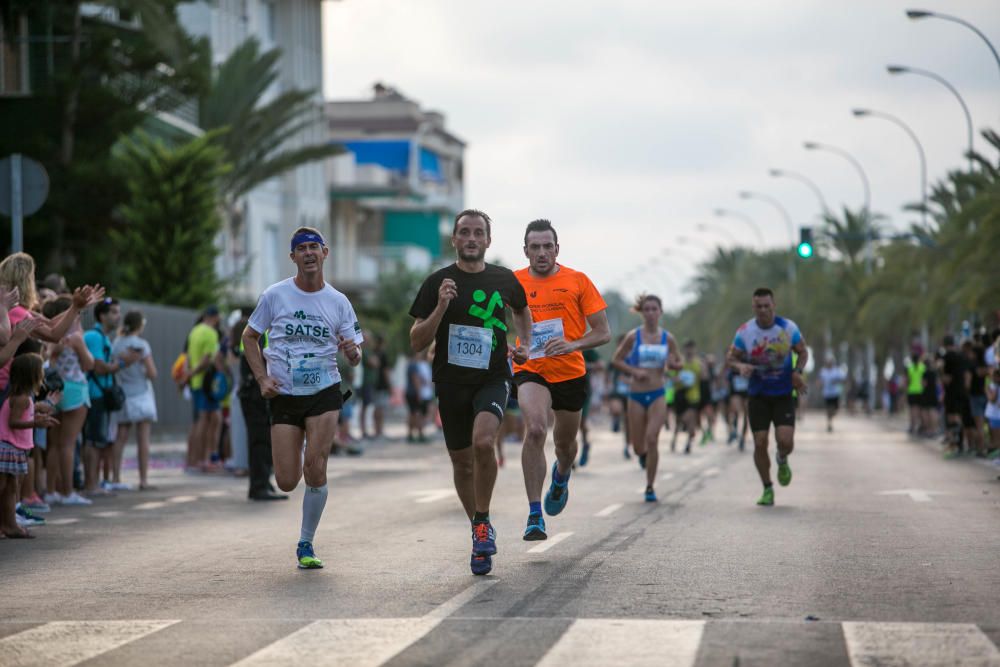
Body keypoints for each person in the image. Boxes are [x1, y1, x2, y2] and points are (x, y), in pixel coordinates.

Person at [409, 209, 532, 575]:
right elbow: (417, 341)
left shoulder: (504, 279)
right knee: (461, 462)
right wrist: (442, 305)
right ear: (455, 240)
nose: (472, 238)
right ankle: (480, 527)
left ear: (488, 241)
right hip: (450, 382)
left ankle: (481, 522)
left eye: (479, 232)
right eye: (465, 232)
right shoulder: (437, 282)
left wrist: (523, 342)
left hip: (492, 377)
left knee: (483, 443)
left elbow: (522, 313)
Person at [242, 226, 364, 569]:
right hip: (284, 393)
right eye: (302, 248)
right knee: (285, 479)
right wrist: (262, 378)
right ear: (293, 257)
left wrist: (352, 353)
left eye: (315, 247)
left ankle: (306, 542)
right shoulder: (274, 295)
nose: (309, 253)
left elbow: (354, 351)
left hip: (324, 390)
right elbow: (249, 338)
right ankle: (296, 470)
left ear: (325, 253)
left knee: (316, 465)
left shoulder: (338, 301)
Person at [511, 219, 610, 541]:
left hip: (570, 371)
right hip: (531, 369)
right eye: (535, 247)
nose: (541, 253)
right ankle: (535, 514)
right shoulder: (513, 282)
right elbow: (494, 323)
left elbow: (602, 332)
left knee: (565, 446)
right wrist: (511, 349)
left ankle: (562, 475)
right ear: (525, 251)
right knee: (536, 429)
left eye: (547, 246)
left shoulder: (578, 280)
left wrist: (573, 344)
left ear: (557, 248)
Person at [727, 287, 808, 507]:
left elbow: (802, 351)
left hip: (782, 394)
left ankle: (782, 459)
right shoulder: (745, 331)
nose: (763, 310)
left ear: (774, 305)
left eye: (766, 306)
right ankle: (767, 488)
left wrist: (796, 373)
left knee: (785, 441)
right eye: (758, 306)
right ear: (753, 307)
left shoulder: (787, 328)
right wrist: (740, 365)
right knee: (760, 443)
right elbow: (730, 358)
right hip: (758, 395)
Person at [611, 294, 681, 502]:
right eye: (647, 309)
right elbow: (617, 360)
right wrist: (634, 371)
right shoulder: (634, 336)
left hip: (658, 393)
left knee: (653, 439)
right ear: (642, 313)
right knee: (638, 446)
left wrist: (673, 364)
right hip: (636, 395)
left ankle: (650, 486)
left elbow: (678, 365)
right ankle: (642, 456)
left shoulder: (668, 338)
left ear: (660, 312)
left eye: (654, 309)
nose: (650, 313)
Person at [83, 298, 140, 494]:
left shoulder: (103, 337)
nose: (119, 316)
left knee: (100, 441)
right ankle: (90, 485)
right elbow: (99, 368)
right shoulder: (94, 336)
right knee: (93, 441)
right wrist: (123, 363)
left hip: (100, 394)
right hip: (95, 393)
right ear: (102, 315)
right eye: (114, 312)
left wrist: (120, 362)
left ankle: (95, 483)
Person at [43, 297, 94, 505]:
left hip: (55, 390)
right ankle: (68, 492)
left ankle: (51, 490)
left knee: (54, 444)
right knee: (69, 444)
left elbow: (50, 359)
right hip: (75, 389)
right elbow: (89, 364)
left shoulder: (52, 336)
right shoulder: (76, 337)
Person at [0, 354, 57, 538]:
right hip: (8, 448)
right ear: (31, 375)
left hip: (13, 449)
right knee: (5, 488)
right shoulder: (22, 398)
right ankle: (8, 525)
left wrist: (40, 411)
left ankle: (9, 525)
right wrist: (35, 423)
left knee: (11, 489)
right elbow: (14, 422)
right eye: (40, 371)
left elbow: (24, 414)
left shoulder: (22, 398)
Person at [110, 311, 158, 490]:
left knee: (120, 437)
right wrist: (144, 372)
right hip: (141, 394)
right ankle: (143, 479)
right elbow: (152, 373)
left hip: (123, 394)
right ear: (140, 325)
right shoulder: (141, 345)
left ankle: (115, 477)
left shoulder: (116, 343)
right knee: (143, 439)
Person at [183, 307, 223, 472]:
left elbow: (188, 357)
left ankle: (194, 460)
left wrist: (188, 374)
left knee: (201, 420)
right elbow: (207, 360)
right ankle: (204, 460)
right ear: (216, 317)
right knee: (206, 421)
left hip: (196, 383)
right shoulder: (211, 333)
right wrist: (192, 373)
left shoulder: (194, 331)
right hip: (207, 383)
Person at [940, 335, 972, 458]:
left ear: (944, 344)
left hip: (951, 391)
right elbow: (967, 375)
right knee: (960, 416)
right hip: (962, 391)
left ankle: (954, 444)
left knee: (952, 417)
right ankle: (961, 444)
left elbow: (946, 379)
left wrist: (941, 373)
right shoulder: (962, 356)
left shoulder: (947, 357)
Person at [360, 334, 391, 439]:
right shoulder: (366, 351)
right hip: (368, 383)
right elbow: (375, 364)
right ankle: (370, 430)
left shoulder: (371, 352)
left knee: (370, 407)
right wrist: (389, 385)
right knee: (372, 407)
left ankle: (375, 430)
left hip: (371, 383)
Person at [676, 340, 704, 454]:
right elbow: (672, 377)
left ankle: (688, 442)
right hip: (680, 394)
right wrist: (677, 379)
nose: (689, 351)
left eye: (691, 348)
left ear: (695, 350)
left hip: (694, 396)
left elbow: (704, 378)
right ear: (684, 350)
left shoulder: (698, 364)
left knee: (690, 418)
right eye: (687, 348)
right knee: (682, 419)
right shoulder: (679, 363)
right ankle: (689, 433)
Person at [405, 349, 434, 443]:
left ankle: (411, 434)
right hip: (414, 393)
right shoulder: (414, 365)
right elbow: (415, 380)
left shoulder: (411, 364)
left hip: (411, 392)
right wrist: (419, 394)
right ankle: (420, 434)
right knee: (418, 414)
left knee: (413, 413)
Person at [819, 357, 846, 433]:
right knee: (828, 409)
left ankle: (831, 416)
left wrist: (837, 381)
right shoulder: (823, 371)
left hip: (835, 393)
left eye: (830, 362)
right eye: (828, 362)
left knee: (835, 409)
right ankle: (829, 424)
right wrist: (820, 384)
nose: (829, 364)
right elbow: (820, 380)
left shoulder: (837, 370)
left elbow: (843, 380)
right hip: (827, 393)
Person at [904, 348, 927, 435]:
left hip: (912, 391)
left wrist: (906, 389)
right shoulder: (923, 367)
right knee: (921, 410)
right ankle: (922, 426)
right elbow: (924, 380)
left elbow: (907, 380)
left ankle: (912, 426)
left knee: (912, 410)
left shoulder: (909, 368)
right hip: (921, 391)